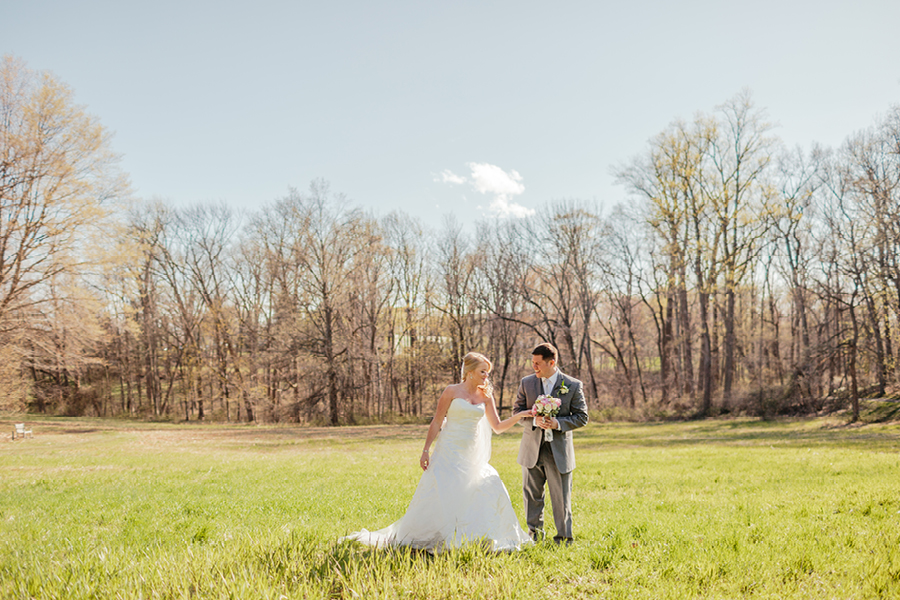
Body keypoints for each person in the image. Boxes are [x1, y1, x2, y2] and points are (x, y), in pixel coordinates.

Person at [341, 352, 533, 552]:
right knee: (444, 491)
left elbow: (498, 427)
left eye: (487, 372)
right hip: (449, 449)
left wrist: (520, 415)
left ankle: (472, 536)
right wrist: (425, 450)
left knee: (483, 487)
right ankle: (438, 534)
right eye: (482, 371)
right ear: (469, 372)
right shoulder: (451, 391)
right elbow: (437, 421)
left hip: (471, 451)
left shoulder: (486, 395)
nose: (486, 376)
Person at [513, 342, 589, 545]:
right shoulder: (527, 383)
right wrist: (533, 420)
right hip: (532, 449)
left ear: (552, 363)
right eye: (532, 362)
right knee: (531, 496)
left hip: (559, 451)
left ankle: (564, 539)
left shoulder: (572, 385)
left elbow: (582, 417)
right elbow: (517, 413)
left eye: (538, 363)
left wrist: (558, 423)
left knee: (561, 498)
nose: (534, 367)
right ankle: (534, 537)